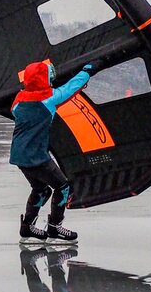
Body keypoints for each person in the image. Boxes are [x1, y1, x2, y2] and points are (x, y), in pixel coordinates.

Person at [11, 59, 104, 244]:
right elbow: (72, 87)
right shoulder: (49, 99)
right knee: (63, 187)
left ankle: (27, 227)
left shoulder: (18, 99)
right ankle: (54, 227)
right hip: (36, 157)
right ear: (43, 79)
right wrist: (88, 69)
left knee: (41, 190)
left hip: (19, 155)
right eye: (49, 75)